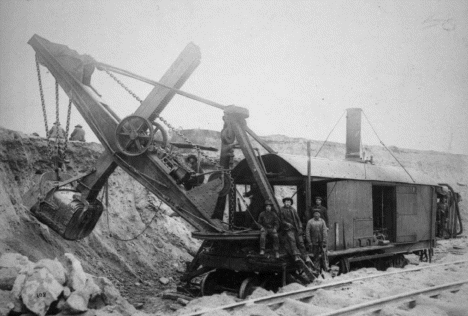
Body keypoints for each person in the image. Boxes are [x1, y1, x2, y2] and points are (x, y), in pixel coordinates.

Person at [279, 197, 310, 263]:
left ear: (290, 203)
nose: (288, 203)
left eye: (289, 202)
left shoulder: (293, 209)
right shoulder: (282, 210)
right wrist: (287, 224)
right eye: (286, 202)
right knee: (292, 240)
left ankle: (305, 256)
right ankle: (296, 255)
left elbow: (298, 219)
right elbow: (281, 220)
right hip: (288, 229)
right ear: (284, 203)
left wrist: (300, 227)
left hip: (296, 228)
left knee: (300, 242)